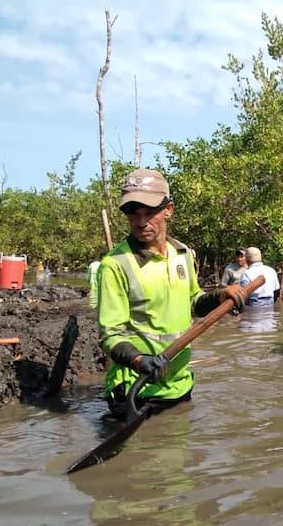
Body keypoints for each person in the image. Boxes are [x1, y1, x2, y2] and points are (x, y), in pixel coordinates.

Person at [96, 168, 246, 418]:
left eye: (150, 212)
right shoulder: (115, 264)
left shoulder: (182, 253)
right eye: (133, 213)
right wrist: (139, 360)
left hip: (179, 384)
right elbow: (110, 335)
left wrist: (221, 296)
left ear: (169, 209)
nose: (142, 221)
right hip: (138, 389)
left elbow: (193, 303)